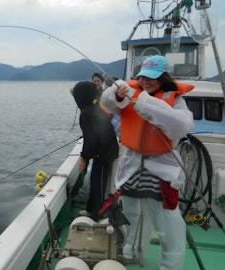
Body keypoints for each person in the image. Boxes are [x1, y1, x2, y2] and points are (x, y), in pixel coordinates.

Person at [101, 55, 194, 270]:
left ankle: (170, 266)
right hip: (133, 167)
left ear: (163, 77)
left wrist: (143, 102)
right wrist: (116, 94)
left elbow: (181, 126)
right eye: (143, 77)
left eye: (152, 78)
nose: (146, 82)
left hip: (161, 171)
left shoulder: (176, 100)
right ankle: (131, 254)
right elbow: (107, 103)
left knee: (168, 225)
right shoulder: (129, 93)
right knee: (132, 216)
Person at [71, 81, 119, 221]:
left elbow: (90, 140)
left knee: (98, 185)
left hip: (104, 155)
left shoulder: (86, 113)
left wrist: (83, 157)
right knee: (94, 181)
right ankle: (91, 210)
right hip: (101, 153)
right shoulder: (92, 108)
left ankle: (97, 216)